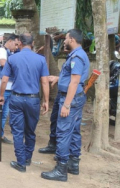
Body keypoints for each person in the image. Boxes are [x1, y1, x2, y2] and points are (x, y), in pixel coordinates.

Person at [41, 29, 89, 182]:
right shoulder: (77, 55)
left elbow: (75, 81)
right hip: (74, 98)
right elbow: (70, 77)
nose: (64, 41)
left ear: (72, 40)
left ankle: (61, 169)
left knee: (63, 132)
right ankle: (73, 164)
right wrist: (58, 78)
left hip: (71, 99)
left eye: (66, 38)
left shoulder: (77, 57)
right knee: (74, 131)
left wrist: (66, 105)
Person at [0, 33, 49, 173]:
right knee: (30, 131)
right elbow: (44, 81)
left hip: (17, 99)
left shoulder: (12, 58)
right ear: (32, 44)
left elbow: (4, 80)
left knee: (18, 131)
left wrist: (1, 96)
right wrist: (46, 101)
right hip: (33, 99)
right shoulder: (41, 59)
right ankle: (27, 158)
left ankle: (21, 162)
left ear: (19, 43)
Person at [0, 34, 18, 148]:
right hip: (0, 86)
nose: (16, 46)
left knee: (4, 114)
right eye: (15, 44)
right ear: (9, 41)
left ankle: (0, 135)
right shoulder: (1, 51)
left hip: (10, 87)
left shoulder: (12, 52)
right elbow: (3, 63)